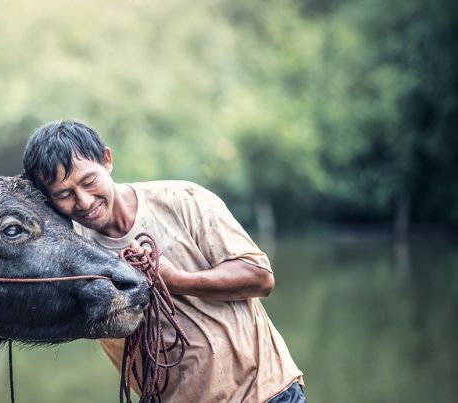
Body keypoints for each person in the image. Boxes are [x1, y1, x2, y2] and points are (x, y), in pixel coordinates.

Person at [22, 120, 305, 403]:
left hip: (265, 392)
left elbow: (260, 277)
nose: (83, 202)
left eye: (88, 182)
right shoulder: (70, 250)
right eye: (64, 194)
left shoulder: (184, 200)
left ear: (107, 160)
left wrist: (176, 281)